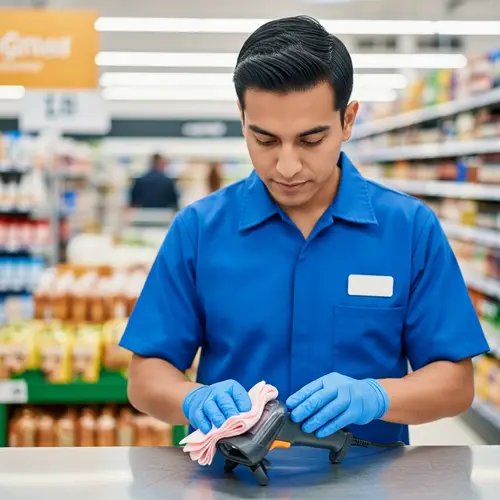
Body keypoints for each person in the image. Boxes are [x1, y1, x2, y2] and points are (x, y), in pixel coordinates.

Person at [119, 16, 489, 446]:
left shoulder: (409, 229)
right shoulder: (199, 230)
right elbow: (145, 375)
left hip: (367, 483)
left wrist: (378, 395)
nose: (288, 166)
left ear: (348, 120)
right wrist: (191, 398)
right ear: (242, 120)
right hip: (230, 480)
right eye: (265, 140)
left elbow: (456, 383)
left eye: (311, 140)